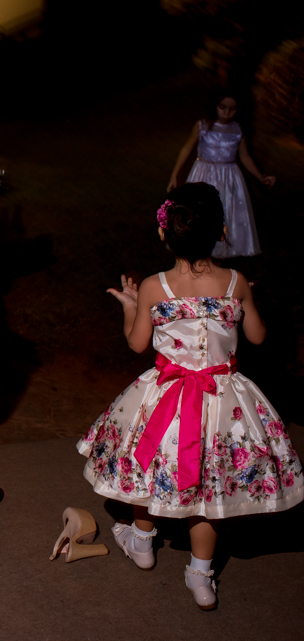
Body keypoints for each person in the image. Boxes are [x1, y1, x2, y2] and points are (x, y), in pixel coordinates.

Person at [78, 183, 303, 610]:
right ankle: (201, 576)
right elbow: (257, 334)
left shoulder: (153, 287)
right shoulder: (235, 281)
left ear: (165, 233)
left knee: (148, 470)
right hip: (225, 402)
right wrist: (243, 299)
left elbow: (137, 344)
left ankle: (142, 541)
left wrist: (130, 305)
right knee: (208, 494)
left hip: (166, 398)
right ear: (221, 230)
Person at [167, 93, 277, 258]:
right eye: (222, 108)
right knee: (199, 212)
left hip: (229, 177)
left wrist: (261, 177)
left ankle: (221, 253)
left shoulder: (237, 129)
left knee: (226, 211)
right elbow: (187, 148)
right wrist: (174, 174)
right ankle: (196, 246)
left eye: (232, 109)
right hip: (203, 174)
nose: (226, 113)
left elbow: (245, 156)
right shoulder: (203, 125)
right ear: (215, 107)